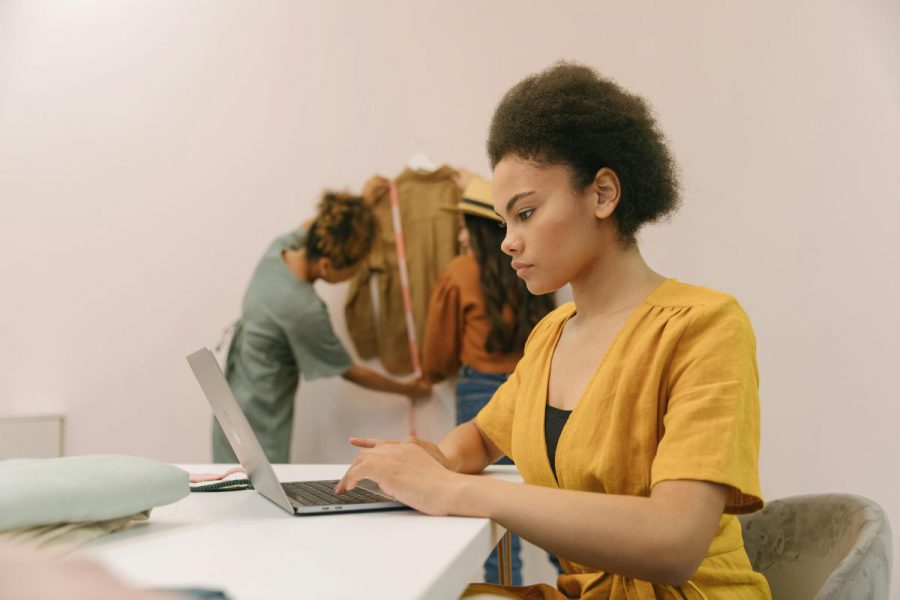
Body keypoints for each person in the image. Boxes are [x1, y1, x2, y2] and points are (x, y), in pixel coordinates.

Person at [335, 62, 771, 599]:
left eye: (526, 213)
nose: (508, 243)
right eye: (503, 223)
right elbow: (481, 434)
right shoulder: (552, 333)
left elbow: (675, 542)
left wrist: (453, 491)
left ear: (603, 193)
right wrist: (435, 461)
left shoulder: (705, 326)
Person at [213, 182, 430, 464]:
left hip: (230, 392)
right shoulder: (303, 308)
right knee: (256, 488)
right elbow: (350, 371)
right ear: (327, 266)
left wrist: (359, 209)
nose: (354, 276)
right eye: (353, 270)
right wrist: (409, 389)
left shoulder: (280, 249)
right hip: (258, 413)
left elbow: (317, 226)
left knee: (227, 484)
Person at [421, 175, 556, 585]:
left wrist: (429, 375)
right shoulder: (536, 270)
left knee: (495, 522)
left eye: (464, 224)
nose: (460, 234)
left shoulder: (460, 273)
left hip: (480, 394)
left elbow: (437, 354)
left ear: (476, 229)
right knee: (552, 506)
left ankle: (503, 593)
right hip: (538, 392)